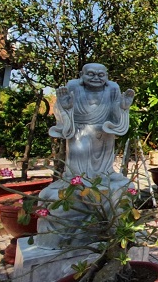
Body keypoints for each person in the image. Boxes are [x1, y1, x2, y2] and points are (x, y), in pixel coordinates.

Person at [36, 63, 135, 248]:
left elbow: (116, 114)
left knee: (106, 168)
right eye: (91, 74)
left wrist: (122, 108)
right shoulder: (73, 86)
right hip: (79, 132)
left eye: (101, 74)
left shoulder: (113, 88)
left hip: (105, 133)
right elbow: (62, 111)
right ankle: (77, 178)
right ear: (82, 75)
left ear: (107, 76)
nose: (96, 77)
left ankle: (105, 174)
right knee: (79, 161)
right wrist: (66, 108)